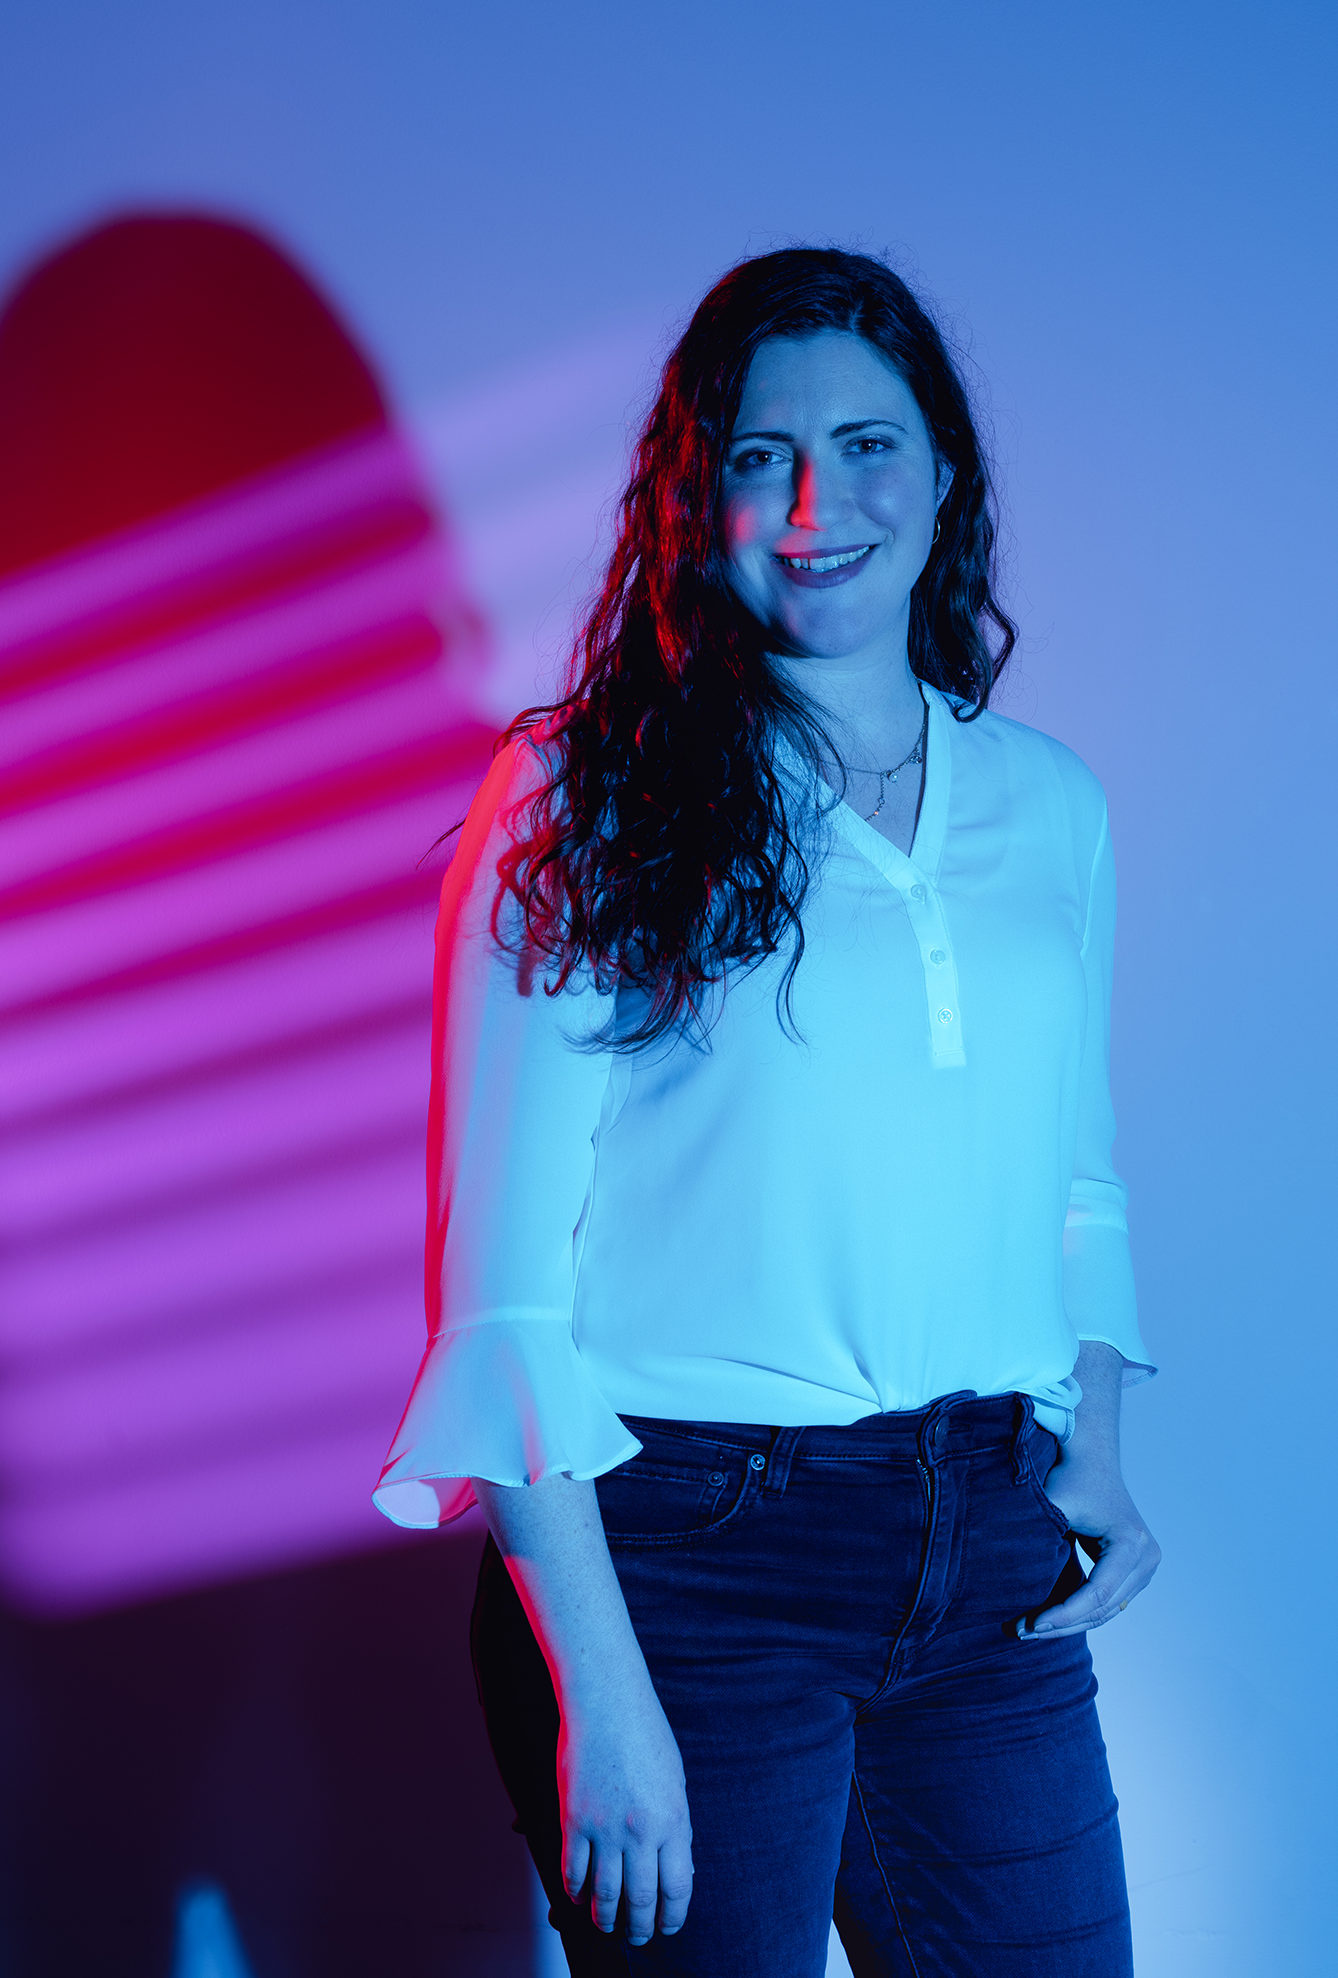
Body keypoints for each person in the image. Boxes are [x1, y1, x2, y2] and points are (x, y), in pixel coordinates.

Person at [374, 247, 1160, 1978]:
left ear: (943, 472)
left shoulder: (1048, 806)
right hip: (683, 1570)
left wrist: (1088, 1441)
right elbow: (502, 1290)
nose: (817, 503)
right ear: (696, 491)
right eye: (758, 454)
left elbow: (1072, 1176)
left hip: (986, 1549)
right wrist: (604, 1697)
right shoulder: (575, 794)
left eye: (868, 445)